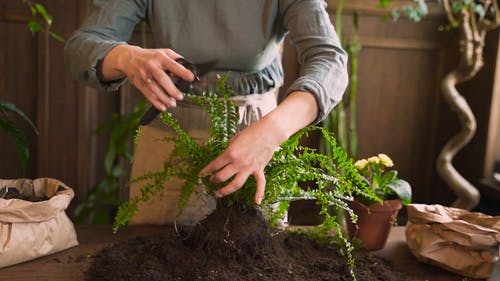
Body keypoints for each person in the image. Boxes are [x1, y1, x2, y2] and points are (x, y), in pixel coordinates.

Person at [64, 0, 348, 225]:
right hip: (168, 141)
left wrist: (273, 132)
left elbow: (329, 60)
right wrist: (126, 57)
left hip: (257, 140)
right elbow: (82, 47)